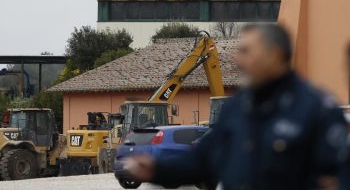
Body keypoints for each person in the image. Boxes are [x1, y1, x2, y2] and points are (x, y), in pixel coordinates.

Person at [120, 23, 349, 190]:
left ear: (275, 55)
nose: (238, 60)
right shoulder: (236, 109)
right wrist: (156, 169)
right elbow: (203, 159)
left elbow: (336, 178)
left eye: (247, 51)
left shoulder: (316, 110)